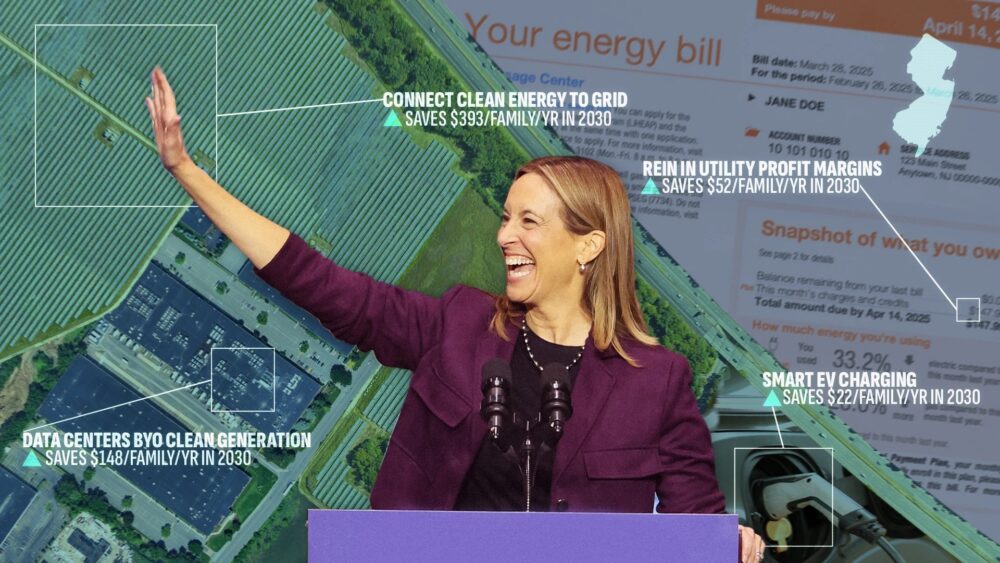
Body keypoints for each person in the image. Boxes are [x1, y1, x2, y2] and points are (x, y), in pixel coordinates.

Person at [146, 66, 766, 562]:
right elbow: (322, 285)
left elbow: (694, 528)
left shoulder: (658, 382)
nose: (504, 236)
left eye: (528, 221)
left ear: (588, 246)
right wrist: (186, 171)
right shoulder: (459, 323)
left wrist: (730, 544)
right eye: (505, 217)